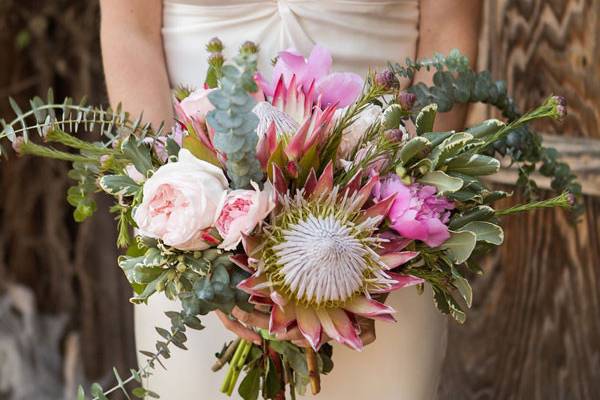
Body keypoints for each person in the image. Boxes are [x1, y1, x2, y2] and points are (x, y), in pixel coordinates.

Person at [99, 1, 481, 398]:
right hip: (194, 226)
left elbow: (449, 26)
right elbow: (131, 30)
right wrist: (182, 211)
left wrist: (404, 195)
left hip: (380, 231)